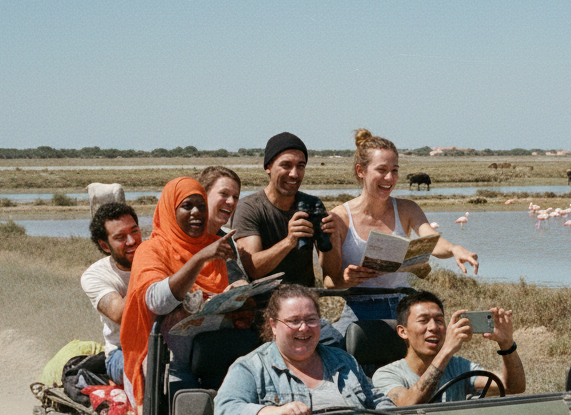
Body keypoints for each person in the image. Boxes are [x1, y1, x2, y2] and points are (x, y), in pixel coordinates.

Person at [323, 129, 480, 335]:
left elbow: (430, 240)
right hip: (358, 311)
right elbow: (329, 282)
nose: (389, 178)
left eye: (395, 170)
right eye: (381, 170)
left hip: (404, 307)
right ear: (361, 171)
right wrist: (347, 280)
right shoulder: (338, 218)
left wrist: (454, 249)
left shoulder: (407, 209)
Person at [214, 284, 393, 415]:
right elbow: (225, 411)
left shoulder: (343, 361)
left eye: (311, 319)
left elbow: (379, 402)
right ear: (274, 325)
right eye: (294, 321)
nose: (304, 328)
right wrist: (273, 412)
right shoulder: (251, 367)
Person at [121, 177, 235, 409]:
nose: (197, 213)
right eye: (187, 206)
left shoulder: (214, 245)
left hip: (211, 356)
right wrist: (200, 258)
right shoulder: (151, 249)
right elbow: (157, 302)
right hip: (166, 365)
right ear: (169, 211)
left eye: (202, 207)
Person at [373, 290, 525, 406]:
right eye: (423, 320)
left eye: (439, 320)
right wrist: (446, 350)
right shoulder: (386, 375)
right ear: (403, 331)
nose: (433, 327)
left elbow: (511, 387)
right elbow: (407, 405)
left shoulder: (458, 367)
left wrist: (507, 345)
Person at [233, 132, 339, 286]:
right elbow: (254, 269)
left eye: (300, 166)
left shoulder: (311, 204)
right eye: (286, 165)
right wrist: (290, 241)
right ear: (268, 167)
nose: (294, 174)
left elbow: (330, 271)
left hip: (304, 301)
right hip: (264, 305)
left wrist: (332, 237)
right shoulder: (249, 208)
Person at [80, 202, 143, 385]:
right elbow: (120, 314)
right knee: (150, 366)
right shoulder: (94, 276)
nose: (132, 241)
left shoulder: (156, 255)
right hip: (122, 353)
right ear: (105, 245)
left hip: (166, 343)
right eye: (120, 237)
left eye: (134, 231)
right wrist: (143, 266)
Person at [198, 164, 247, 285]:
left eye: (235, 197)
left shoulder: (225, 240)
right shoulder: (181, 237)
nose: (231, 202)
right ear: (203, 195)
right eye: (224, 194)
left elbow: (234, 279)